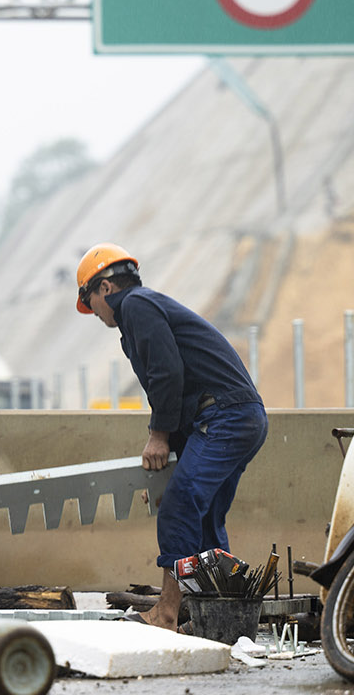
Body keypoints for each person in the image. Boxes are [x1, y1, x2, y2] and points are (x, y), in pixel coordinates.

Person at [75, 243, 268, 631]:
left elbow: (167, 374)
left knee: (180, 507)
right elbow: (183, 395)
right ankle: (221, 620)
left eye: (89, 299)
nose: (92, 311)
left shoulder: (136, 306)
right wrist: (168, 474)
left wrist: (157, 436)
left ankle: (166, 613)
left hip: (226, 415)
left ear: (106, 288)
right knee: (206, 518)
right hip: (237, 416)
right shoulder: (142, 312)